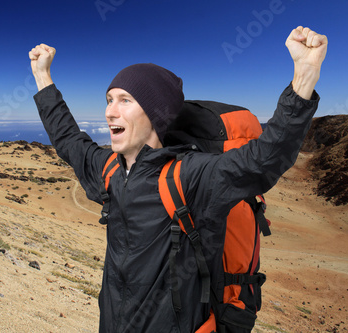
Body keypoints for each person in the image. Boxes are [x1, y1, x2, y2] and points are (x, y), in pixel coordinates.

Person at [29, 26, 327, 333]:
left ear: (154, 115)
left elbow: (262, 161)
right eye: (109, 99)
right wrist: (42, 76)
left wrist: (304, 76)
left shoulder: (190, 176)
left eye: (125, 100)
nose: (109, 112)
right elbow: (69, 141)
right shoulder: (110, 170)